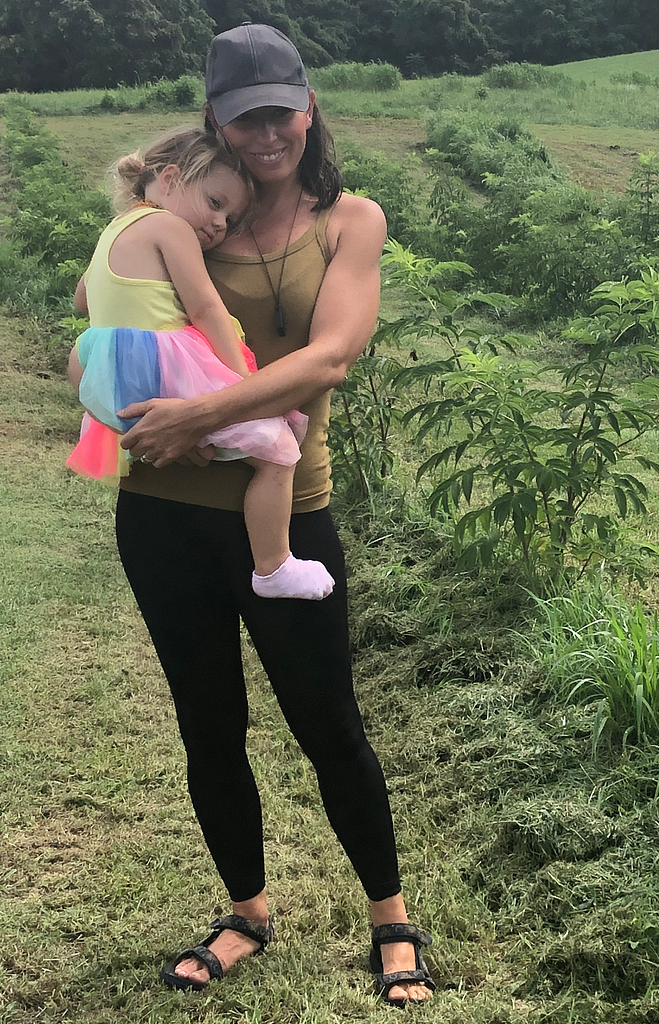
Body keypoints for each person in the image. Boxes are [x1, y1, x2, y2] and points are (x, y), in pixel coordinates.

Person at [98, 22, 435, 1007]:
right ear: (217, 122)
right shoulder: (178, 218)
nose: (266, 134)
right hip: (158, 512)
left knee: (329, 720)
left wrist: (200, 411)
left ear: (308, 107)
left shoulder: (348, 221)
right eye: (244, 120)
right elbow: (107, 317)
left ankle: (391, 917)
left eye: (280, 112)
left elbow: (329, 357)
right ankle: (247, 909)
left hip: (287, 515)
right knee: (209, 724)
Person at [68, 128, 335, 601]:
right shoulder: (169, 228)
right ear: (171, 177)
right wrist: (245, 389)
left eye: (229, 218)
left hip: (111, 374)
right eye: (214, 202)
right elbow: (206, 308)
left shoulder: (118, 227)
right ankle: (273, 565)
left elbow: (82, 301)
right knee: (278, 452)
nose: (218, 224)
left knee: (228, 444)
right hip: (164, 365)